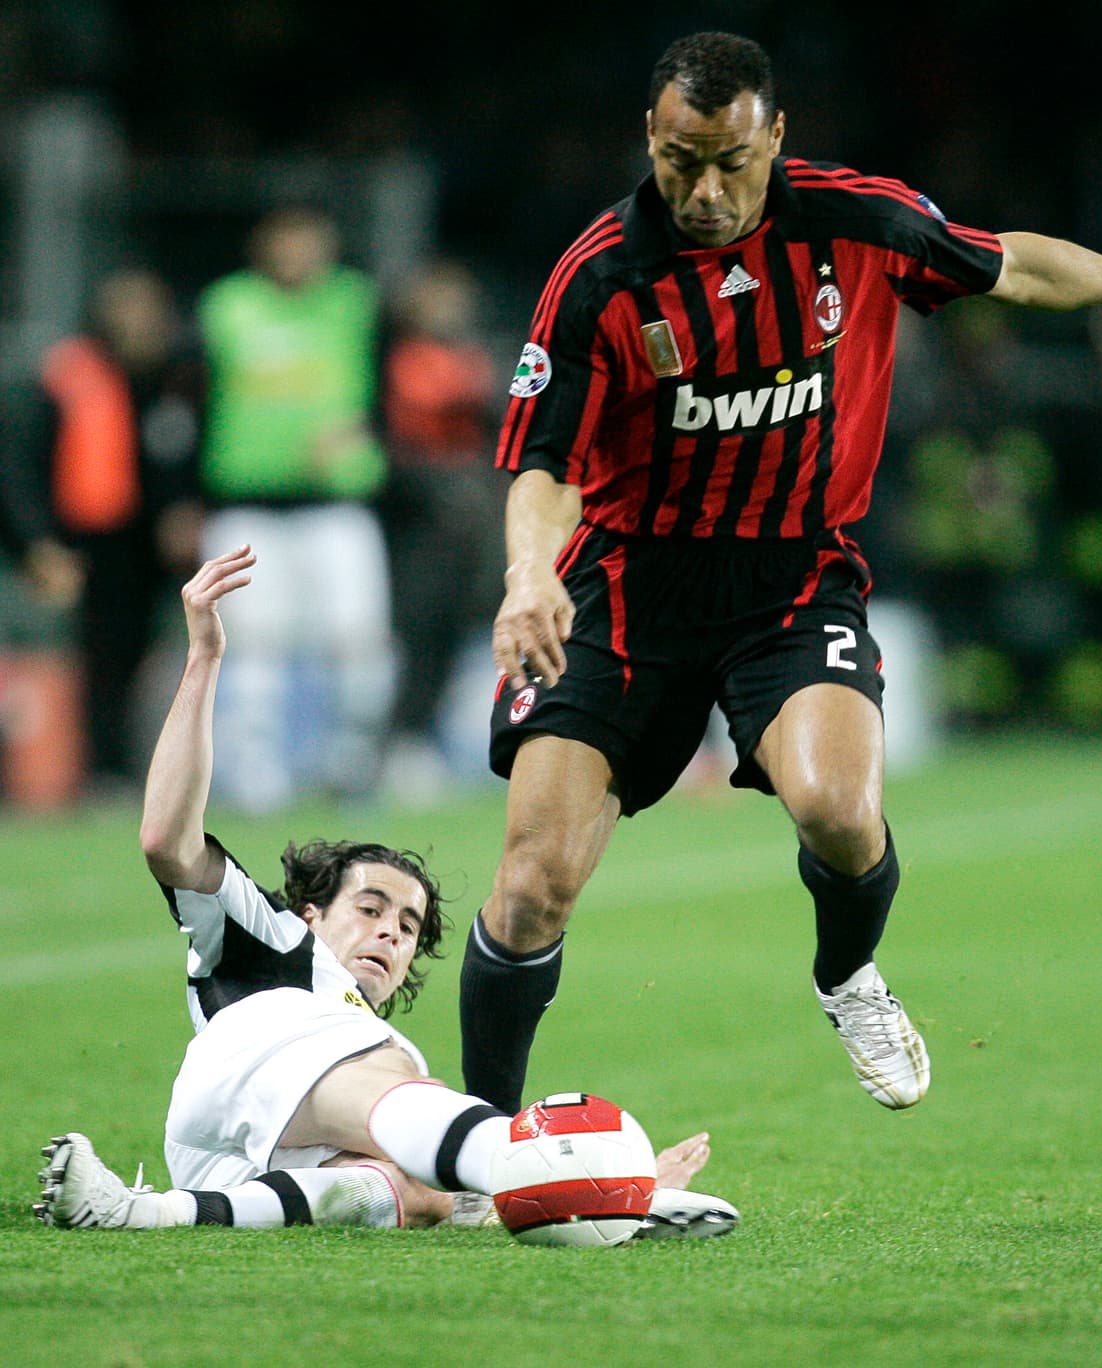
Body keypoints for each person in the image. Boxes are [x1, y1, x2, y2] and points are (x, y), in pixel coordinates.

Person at [459, 31, 1102, 1117]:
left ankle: (845, 975)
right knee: (530, 889)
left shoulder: (854, 220)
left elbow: (1013, 265)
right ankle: (479, 1150)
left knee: (840, 813)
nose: (705, 192)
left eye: (731, 162)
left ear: (775, 138)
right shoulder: (599, 276)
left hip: (791, 582)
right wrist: (527, 573)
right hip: (624, 585)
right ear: (649, 138)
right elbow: (545, 464)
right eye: (681, 162)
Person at [33, 546, 735, 1238]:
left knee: (417, 1192)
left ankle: (145, 1211)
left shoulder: (374, 1041)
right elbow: (166, 841)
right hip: (257, 1066)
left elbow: (461, 1204)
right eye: (370, 908)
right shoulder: (274, 937)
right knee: (395, 1078)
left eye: (407, 926)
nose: (391, 932)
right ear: (311, 913)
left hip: (232, 1156)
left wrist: (611, 1204)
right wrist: (205, 657)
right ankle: (550, 1162)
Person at [197, 204, 394, 811]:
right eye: (283, 240)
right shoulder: (225, 306)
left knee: (358, 638)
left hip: (337, 502)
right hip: (246, 501)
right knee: (253, 645)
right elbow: (194, 393)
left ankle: (352, 767)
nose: (294, 253)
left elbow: (395, 384)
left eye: (305, 240)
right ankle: (255, 779)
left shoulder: (357, 303)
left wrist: (370, 428)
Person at [0, 267, 203, 790]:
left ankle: (134, 769)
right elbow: (20, 465)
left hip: (147, 551)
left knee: (149, 661)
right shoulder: (64, 377)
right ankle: (86, 771)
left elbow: (181, 457)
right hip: (78, 546)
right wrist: (36, 543)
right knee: (83, 662)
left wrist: (186, 509)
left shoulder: (175, 379)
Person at [378, 260, 507, 800]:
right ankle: (399, 744)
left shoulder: (474, 356)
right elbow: (393, 439)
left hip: (470, 519)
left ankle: (436, 744)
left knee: (460, 632)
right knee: (417, 634)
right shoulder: (392, 358)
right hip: (413, 523)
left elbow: (499, 422)